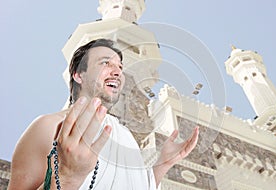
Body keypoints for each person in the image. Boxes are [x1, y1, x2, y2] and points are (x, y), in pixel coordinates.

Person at [8, 39, 199, 190]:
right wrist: (67, 177)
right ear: (78, 75)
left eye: (120, 67)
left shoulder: (125, 137)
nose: (117, 72)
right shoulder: (48, 128)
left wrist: (162, 164)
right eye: (106, 63)